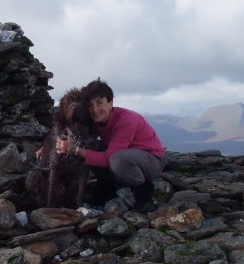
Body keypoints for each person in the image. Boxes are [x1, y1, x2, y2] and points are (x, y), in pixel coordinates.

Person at [55, 78, 166, 210]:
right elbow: (67, 127)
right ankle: (106, 189)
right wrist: (48, 146)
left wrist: (74, 150)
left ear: (111, 103)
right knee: (95, 147)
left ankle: (144, 192)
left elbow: (108, 158)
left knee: (116, 159)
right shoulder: (95, 119)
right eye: (90, 104)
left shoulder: (127, 120)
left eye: (99, 103)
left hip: (151, 160)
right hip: (126, 156)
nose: (95, 109)